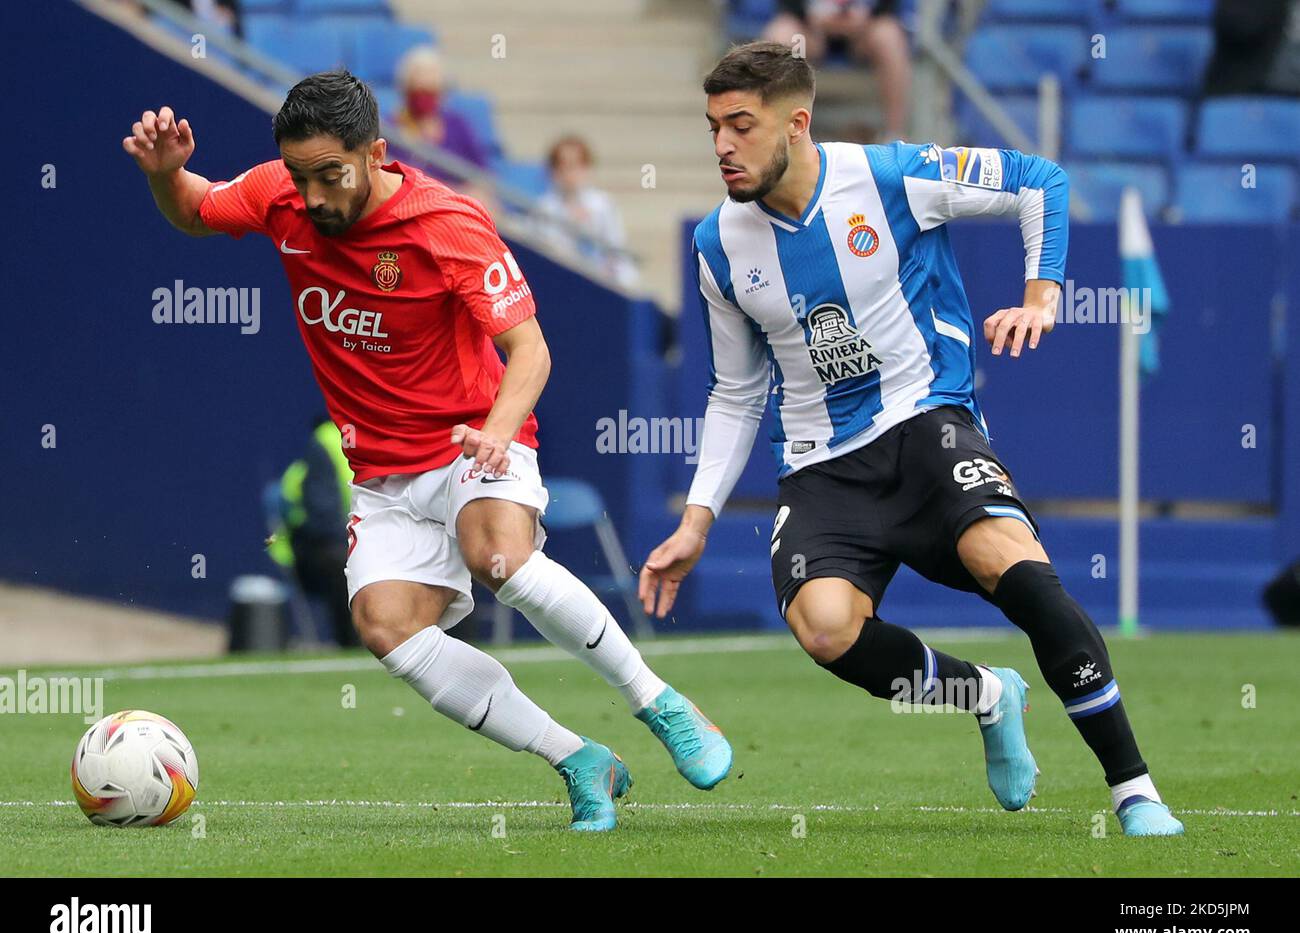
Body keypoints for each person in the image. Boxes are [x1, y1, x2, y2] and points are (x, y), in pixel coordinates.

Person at [121, 69, 731, 832]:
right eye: (301, 176)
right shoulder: (280, 191)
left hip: (474, 439)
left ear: (376, 153)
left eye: (330, 175)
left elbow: (530, 350)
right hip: (380, 474)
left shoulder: (448, 223)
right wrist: (167, 175)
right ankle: (579, 759)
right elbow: (195, 211)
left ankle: (661, 703)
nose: (311, 196)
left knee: (496, 555)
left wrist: (500, 430)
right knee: (383, 625)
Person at [639, 42, 1184, 837]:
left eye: (741, 125)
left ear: (798, 122)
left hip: (928, 423)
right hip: (824, 466)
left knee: (1015, 568)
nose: (723, 145)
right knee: (825, 628)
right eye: (714, 126)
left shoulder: (893, 176)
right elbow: (735, 389)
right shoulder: (719, 246)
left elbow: (1041, 182)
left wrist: (1042, 297)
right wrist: (697, 518)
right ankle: (988, 697)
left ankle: (1134, 788)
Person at [266, 418, 361, 649]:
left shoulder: (358, 432)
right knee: (340, 563)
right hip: (328, 545)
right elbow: (321, 510)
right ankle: (352, 643)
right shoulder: (326, 441)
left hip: (367, 536)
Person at [763, 0, 912, 141]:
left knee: (889, 36)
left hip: (863, 33)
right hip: (809, 32)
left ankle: (894, 134)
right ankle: (781, 133)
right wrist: (808, 16)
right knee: (782, 36)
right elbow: (787, 6)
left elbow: (889, 6)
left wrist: (867, 16)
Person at [385, 45, 496, 206]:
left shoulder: (458, 126)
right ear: (405, 90)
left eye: (431, 91)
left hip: (453, 209)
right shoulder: (390, 129)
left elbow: (482, 177)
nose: (424, 98)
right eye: (418, 90)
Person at [535, 135, 638, 286]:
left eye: (575, 165)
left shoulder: (603, 205)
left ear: (586, 168)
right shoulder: (544, 208)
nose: (569, 174)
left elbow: (616, 248)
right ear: (553, 171)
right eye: (562, 166)